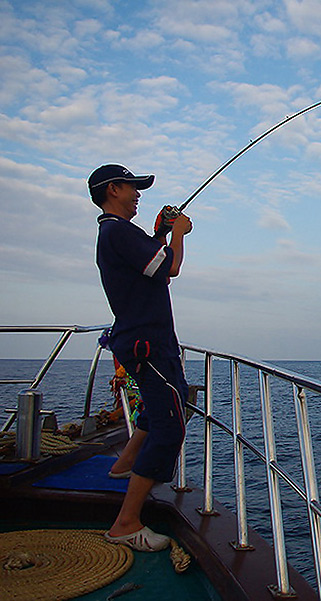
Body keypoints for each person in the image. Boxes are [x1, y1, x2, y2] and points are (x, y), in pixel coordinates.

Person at [88, 164, 192, 552]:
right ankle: (125, 523)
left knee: (173, 398)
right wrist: (179, 234)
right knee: (170, 428)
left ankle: (124, 465)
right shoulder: (118, 231)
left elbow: (150, 269)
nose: (138, 195)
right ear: (113, 189)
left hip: (147, 342)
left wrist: (161, 233)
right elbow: (170, 269)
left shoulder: (117, 234)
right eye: (133, 188)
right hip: (148, 344)